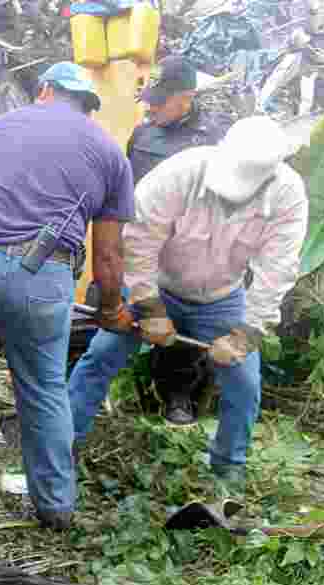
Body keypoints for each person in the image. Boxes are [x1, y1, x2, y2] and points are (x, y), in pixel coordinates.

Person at [68, 116, 309, 495]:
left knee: (244, 381)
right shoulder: (181, 172)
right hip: (159, 285)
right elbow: (139, 240)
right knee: (102, 354)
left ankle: (229, 469)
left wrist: (247, 334)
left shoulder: (287, 195)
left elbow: (277, 271)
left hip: (222, 296)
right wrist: (149, 307)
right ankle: (64, 442)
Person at [0, 61, 136, 531]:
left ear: (46, 90)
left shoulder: (2, 125)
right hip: (45, 280)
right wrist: (112, 309)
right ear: (89, 106)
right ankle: (56, 510)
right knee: (46, 391)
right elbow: (107, 255)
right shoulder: (112, 155)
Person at [125, 56, 231, 427]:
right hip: (142, 243)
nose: (150, 107)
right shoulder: (143, 133)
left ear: (186, 97)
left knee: (183, 327)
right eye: (149, 99)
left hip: (189, 250)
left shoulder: (215, 138)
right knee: (112, 314)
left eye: (159, 100)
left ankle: (178, 394)